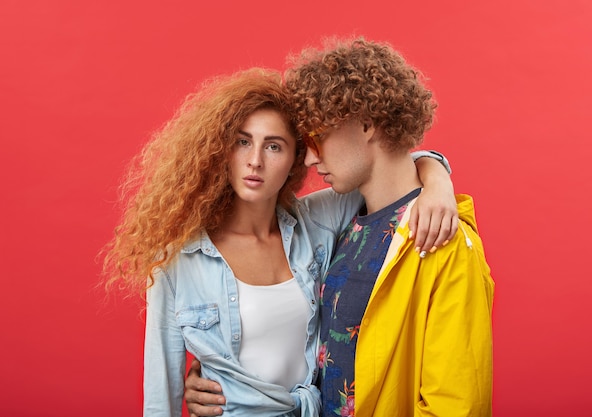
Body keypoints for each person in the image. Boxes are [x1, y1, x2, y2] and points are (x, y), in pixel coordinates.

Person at [102, 67, 457, 417]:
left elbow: (388, 166)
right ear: (220, 150)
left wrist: (438, 182)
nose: (254, 161)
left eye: (274, 146)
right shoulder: (178, 259)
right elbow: (160, 395)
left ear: (295, 161)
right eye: (242, 142)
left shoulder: (316, 222)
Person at [185, 38, 494, 416]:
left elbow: (457, 406)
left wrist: (437, 183)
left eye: (318, 137)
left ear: (366, 123)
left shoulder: (444, 242)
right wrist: (221, 378)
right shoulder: (343, 226)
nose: (311, 158)